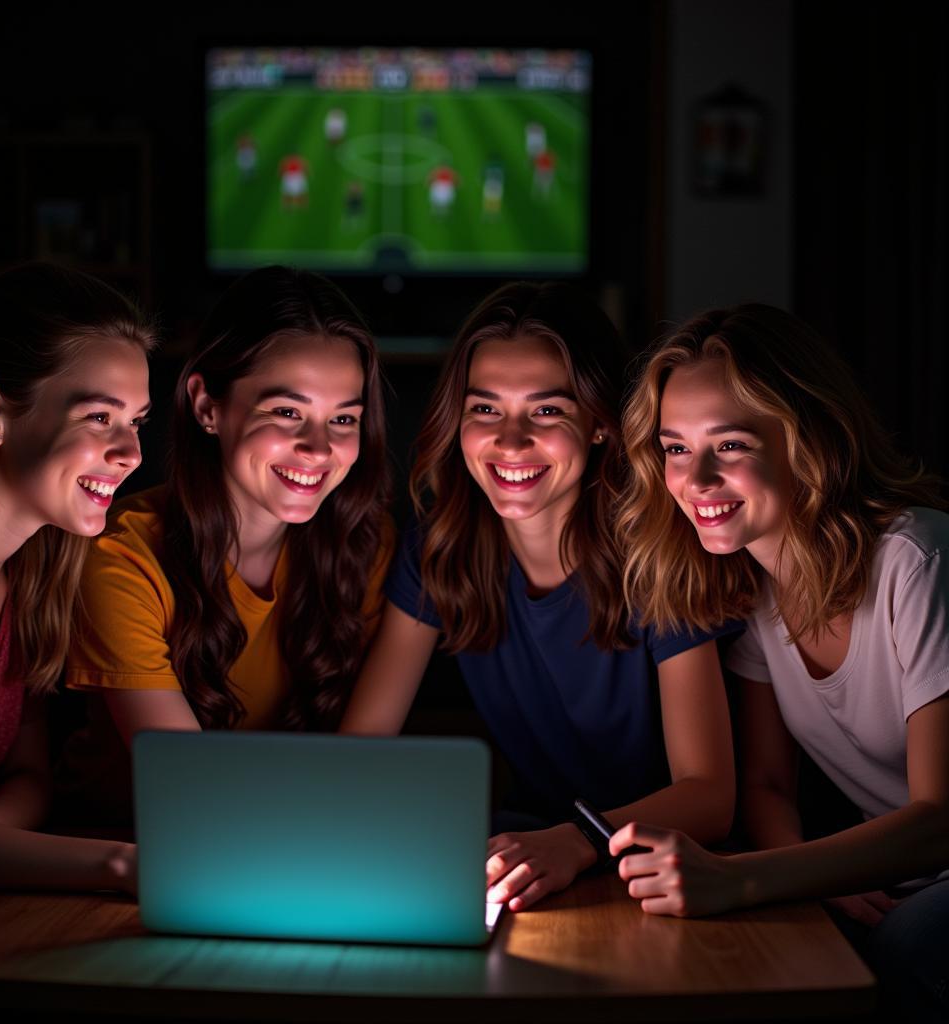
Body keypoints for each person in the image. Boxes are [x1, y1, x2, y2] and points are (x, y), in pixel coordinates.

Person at [342, 282, 739, 911]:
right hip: (527, 858)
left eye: (547, 411)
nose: (510, 439)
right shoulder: (438, 548)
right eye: (485, 409)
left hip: (669, 871)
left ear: (603, 424)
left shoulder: (658, 550)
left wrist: (578, 839)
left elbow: (710, 796)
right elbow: (361, 750)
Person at [618, 304, 948, 1019]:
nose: (696, 478)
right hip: (900, 880)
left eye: (729, 445)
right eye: (675, 448)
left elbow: (938, 819)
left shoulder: (916, 559)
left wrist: (744, 878)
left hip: (932, 883)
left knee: (906, 946)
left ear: (807, 441)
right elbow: (767, 785)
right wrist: (812, 879)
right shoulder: (759, 595)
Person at [59, 266, 392, 823]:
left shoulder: (368, 547)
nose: (318, 449)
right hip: (115, 859)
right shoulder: (121, 556)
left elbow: (360, 766)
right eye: (287, 412)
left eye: (343, 419)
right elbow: (193, 791)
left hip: (293, 846)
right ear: (208, 406)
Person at [0, 263, 155, 892]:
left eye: (137, 421)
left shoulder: (34, 582)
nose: (132, 453)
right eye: (99, 418)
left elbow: (30, 780)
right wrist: (121, 866)